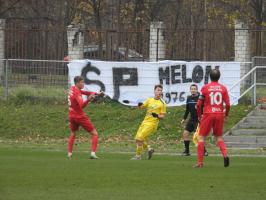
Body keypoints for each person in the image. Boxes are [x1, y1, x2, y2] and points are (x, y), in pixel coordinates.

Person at [195, 69, 230, 168]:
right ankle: (225, 155)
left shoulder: (205, 88)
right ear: (219, 77)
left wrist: (199, 116)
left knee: (201, 137)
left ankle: (200, 163)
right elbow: (227, 104)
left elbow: (198, 104)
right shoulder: (223, 88)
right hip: (219, 114)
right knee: (219, 137)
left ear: (210, 77)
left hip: (208, 114)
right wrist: (226, 114)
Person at [67, 76, 102, 159]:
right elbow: (82, 105)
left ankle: (69, 154)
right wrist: (89, 99)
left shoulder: (72, 88)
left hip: (71, 115)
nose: (83, 84)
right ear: (77, 83)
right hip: (79, 116)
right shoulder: (77, 93)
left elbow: (84, 92)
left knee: (73, 133)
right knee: (95, 133)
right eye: (82, 82)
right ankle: (93, 154)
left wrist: (95, 93)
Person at [131, 84, 166, 160]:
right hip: (145, 122)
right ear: (154, 91)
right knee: (137, 139)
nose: (159, 92)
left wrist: (157, 115)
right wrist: (139, 105)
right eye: (158, 90)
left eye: (161, 90)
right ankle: (149, 149)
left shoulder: (162, 103)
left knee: (140, 138)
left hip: (152, 124)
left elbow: (162, 116)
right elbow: (142, 106)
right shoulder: (150, 99)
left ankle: (138, 156)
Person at [180, 84, 208, 156]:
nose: (193, 90)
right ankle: (187, 151)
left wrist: (203, 116)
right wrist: (184, 118)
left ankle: (204, 151)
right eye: (192, 89)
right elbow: (187, 110)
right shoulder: (189, 98)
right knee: (185, 134)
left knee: (198, 136)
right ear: (190, 90)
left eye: (194, 89)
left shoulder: (200, 98)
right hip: (191, 119)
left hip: (198, 120)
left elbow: (205, 108)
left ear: (197, 90)